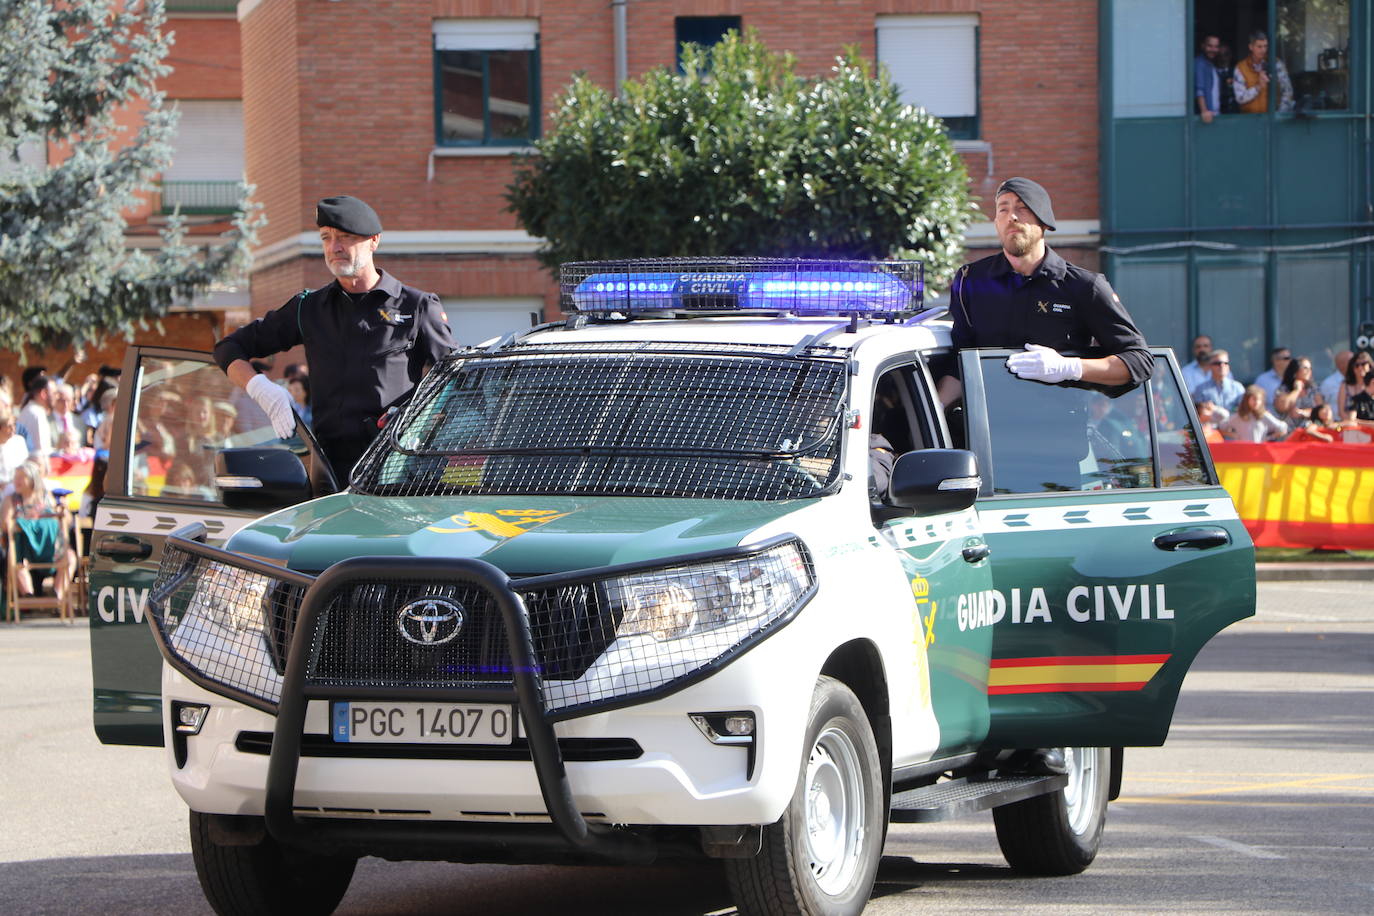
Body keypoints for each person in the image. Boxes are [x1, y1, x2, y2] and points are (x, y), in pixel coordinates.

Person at [213, 195, 456, 483]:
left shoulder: (416, 306)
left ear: (374, 241)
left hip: (398, 469)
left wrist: (426, 424)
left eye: (345, 237)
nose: (334, 248)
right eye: (326, 238)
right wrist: (262, 390)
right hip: (329, 473)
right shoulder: (309, 308)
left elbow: (456, 380)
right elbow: (228, 348)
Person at [939, 177, 1152, 406]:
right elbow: (959, 364)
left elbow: (1139, 362)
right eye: (1003, 209)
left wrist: (1070, 368)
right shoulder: (972, 280)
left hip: (1057, 433)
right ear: (996, 222)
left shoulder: (1083, 286)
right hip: (985, 429)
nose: (1012, 216)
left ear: (1044, 221)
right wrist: (936, 410)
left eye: (1022, 208)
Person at [1, 459, 76, 605]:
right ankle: (29, 598)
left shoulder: (48, 498)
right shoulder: (11, 501)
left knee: (70, 556)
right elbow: (5, 525)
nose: (17, 481)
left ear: (33, 479)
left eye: (22, 477)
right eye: (16, 477)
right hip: (24, 550)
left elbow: (66, 522)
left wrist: (64, 510)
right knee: (15, 559)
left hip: (51, 548)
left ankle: (57, 597)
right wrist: (32, 524)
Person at [1233, 30, 1293, 114]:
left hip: (1273, 119)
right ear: (1251, 47)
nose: (1263, 50)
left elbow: (1287, 91)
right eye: (1259, 46)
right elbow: (1240, 98)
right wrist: (1258, 87)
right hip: (1249, 120)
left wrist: (1279, 115)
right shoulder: (1241, 68)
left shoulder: (1276, 64)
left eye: (1265, 46)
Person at [1220, 385, 1287, 442]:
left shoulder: (1264, 416)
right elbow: (1221, 427)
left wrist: (1269, 438)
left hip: (1258, 452)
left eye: (1259, 400)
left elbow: (1283, 428)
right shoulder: (1238, 416)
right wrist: (1233, 435)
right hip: (1241, 451)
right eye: (1254, 399)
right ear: (1247, 399)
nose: (1257, 402)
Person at [1272, 355, 1324, 427]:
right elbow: (1282, 407)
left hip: (1310, 430)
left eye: (1310, 368)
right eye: (1305, 368)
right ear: (1295, 370)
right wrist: (1297, 390)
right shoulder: (1283, 389)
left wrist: (1303, 413)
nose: (1309, 371)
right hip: (1288, 432)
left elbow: (1321, 411)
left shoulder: (1314, 389)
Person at [16, 373, 55, 458]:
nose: (56, 397)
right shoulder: (36, 414)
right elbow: (40, 452)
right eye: (54, 393)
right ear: (43, 393)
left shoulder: (33, 411)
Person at [1335, 351, 1373, 417]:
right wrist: (1353, 422)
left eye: (1363, 364)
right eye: (1357, 365)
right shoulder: (1345, 385)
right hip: (1352, 424)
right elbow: (1341, 412)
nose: (1360, 368)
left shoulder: (1372, 383)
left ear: (1369, 365)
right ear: (1352, 368)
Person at [1195, 34, 1223, 124]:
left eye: (1216, 47)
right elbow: (1199, 89)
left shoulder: (1212, 64)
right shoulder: (1200, 64)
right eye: (1210, 46)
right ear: (1203, 46)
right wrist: (1204, 110)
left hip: (1215, 114)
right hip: (1206, 116)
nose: (1213, 50)